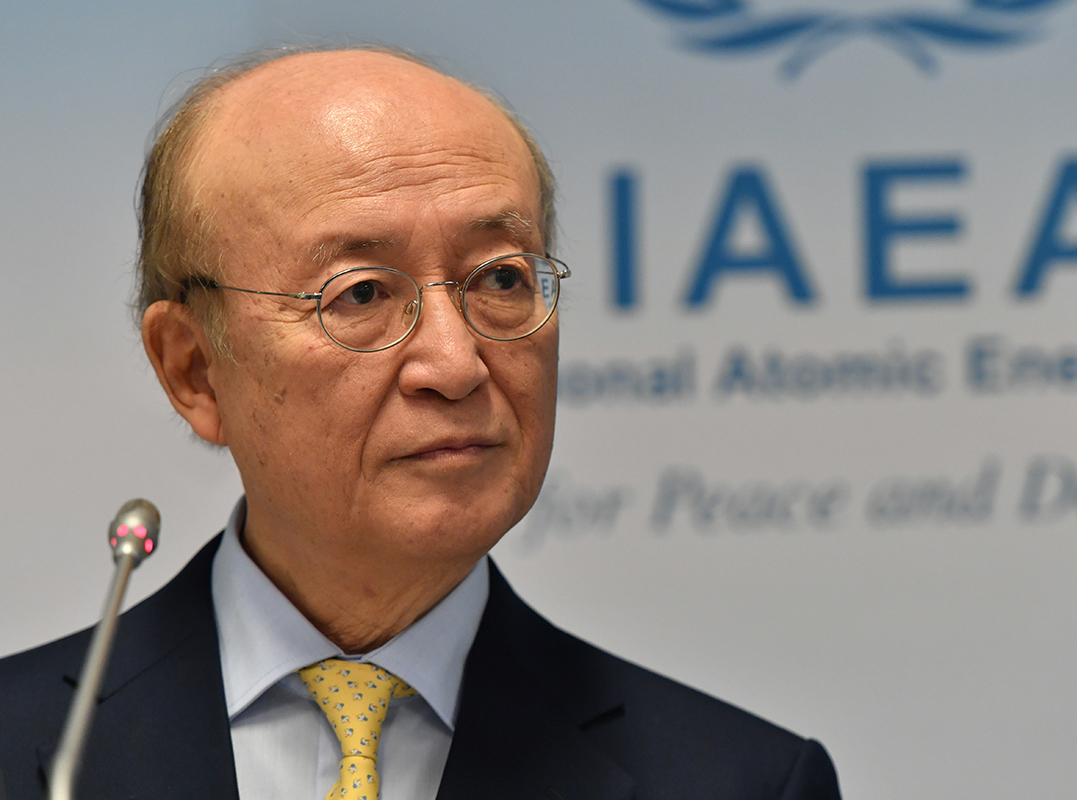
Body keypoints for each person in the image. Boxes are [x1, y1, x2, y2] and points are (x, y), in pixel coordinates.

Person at [0, 46, 840, 800]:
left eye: (502, 280)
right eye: (360, 293)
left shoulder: (743, 782)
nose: (457, 363)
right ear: (193, 368)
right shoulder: (33, 751)